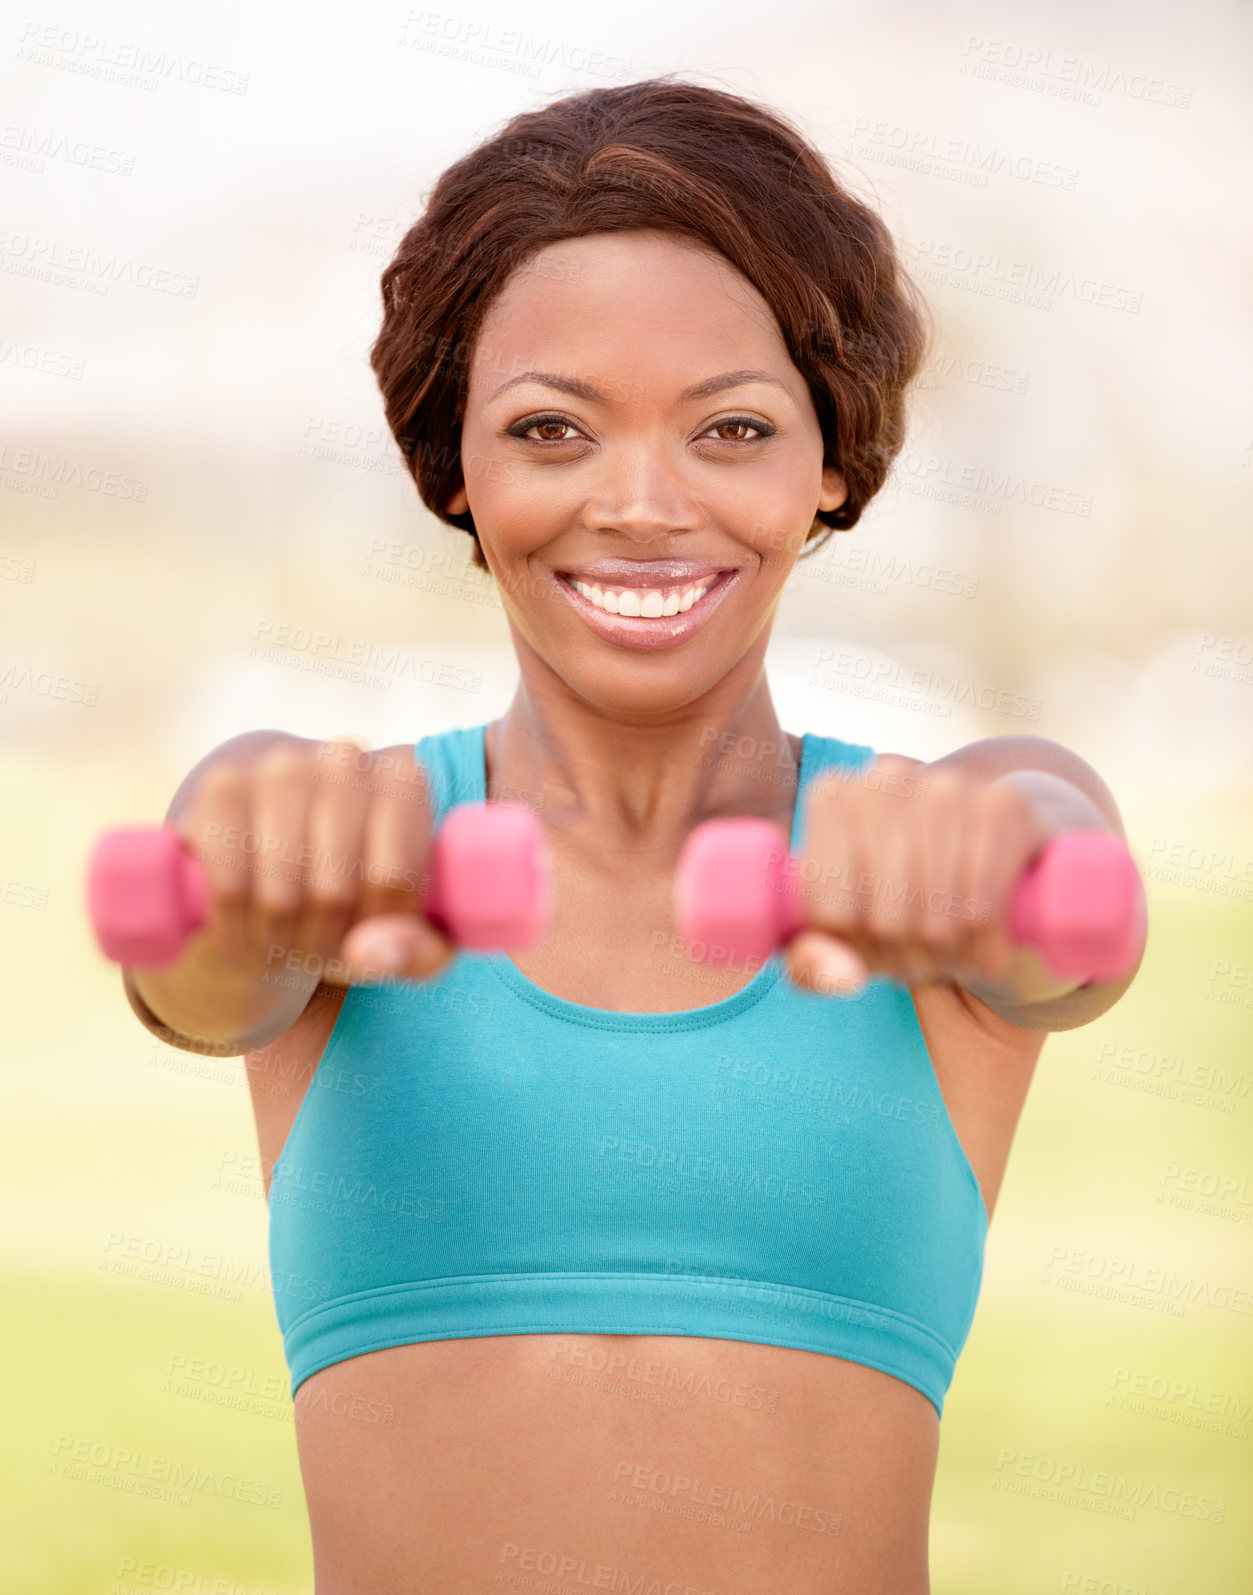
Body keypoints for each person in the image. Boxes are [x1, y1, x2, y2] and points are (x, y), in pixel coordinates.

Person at [122, 76, 1145, 1595]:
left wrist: (999, 873)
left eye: (730, 428)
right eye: (553, 430)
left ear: (829, 467)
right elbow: (206, 968)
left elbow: (1071, 911)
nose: (643, 503)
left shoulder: (944, 835)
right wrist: (243, 884)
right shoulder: (346, 839)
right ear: (454, 465)